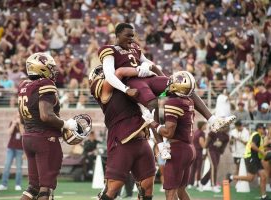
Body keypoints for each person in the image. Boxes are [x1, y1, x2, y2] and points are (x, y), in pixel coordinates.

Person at [98, 22, 236, 159]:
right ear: (117, 35)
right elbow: (110, 75)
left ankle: (213, 120)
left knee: (184, 86)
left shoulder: (134, 47)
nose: (131, 39)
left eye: (133, 36)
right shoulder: (109, 50)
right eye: (128, 35)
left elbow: (149, 63)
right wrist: (126, 89)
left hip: (148, 78)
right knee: (152, 102)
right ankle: (161, 145)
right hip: (132, 81)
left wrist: (165, 80)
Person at [89, 64, 156, 200]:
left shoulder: (127, 87)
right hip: (122, 141)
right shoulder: (103, 89)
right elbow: (119, 73)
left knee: (147, 186)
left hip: (141, 140)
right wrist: (139, 69)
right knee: (113, 188)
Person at [18, 52, 80, 200]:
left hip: (28, 137)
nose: (54, 70)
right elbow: (45, 115)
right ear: (41, 68)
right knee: (46, 188)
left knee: (33, 188)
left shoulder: (24, 85)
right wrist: (66, 125)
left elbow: (22, 118)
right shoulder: (45, 84)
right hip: (45, 139)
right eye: (51, 67)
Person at [146, 71, 197, 200]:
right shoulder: (189, 100)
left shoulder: (173, 102)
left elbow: (169, 132)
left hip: (178, 150)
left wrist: (153, 123)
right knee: (180, 190)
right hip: (189, 148)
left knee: (170, 192)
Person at [227, 124, 270, 200]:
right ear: (259, 129)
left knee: (263, 176)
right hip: (251, 158)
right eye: (263, 128)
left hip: (256, 159)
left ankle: (263, 196)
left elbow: (259, 147)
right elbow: (253, 146)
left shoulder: (258, 136)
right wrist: (263, 153)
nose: (264, 130)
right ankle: (231, 176)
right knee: (250, 178)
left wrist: (265, 151)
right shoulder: (257, 135)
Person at [0, 113, 25, 191]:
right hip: (10, 148)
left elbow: (23, 134)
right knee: (6, 166)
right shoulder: (12, 123)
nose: (17, 117)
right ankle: (3, 184)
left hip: (20, 149)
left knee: (19, 168)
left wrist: (20, 124)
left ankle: (18, 185)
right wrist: (14, 124)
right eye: (17, 116)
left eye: (19, 116)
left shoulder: (24, 123)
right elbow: (9, 133)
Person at [199, 128, 230, 193]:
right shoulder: (214, 132)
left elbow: (223, 146)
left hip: (218, 152)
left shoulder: (226, 136)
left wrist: (221, 153)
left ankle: (202, 182)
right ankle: (213, 185)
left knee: (213, 168)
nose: (227, 128)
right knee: (214, 166)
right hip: (211, 150)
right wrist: (204, 151)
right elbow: (207, 141)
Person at [188, 121, 207, 188]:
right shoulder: (201, 133)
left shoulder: (196, 131)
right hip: (199, 152)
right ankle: (198, 183)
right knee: (199, 168)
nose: (206, 126)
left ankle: (190, 183)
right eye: (205, 125)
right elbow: (202, 144)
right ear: (202, 126)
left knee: (193, 168)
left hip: (193, 151)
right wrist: (208, 145)